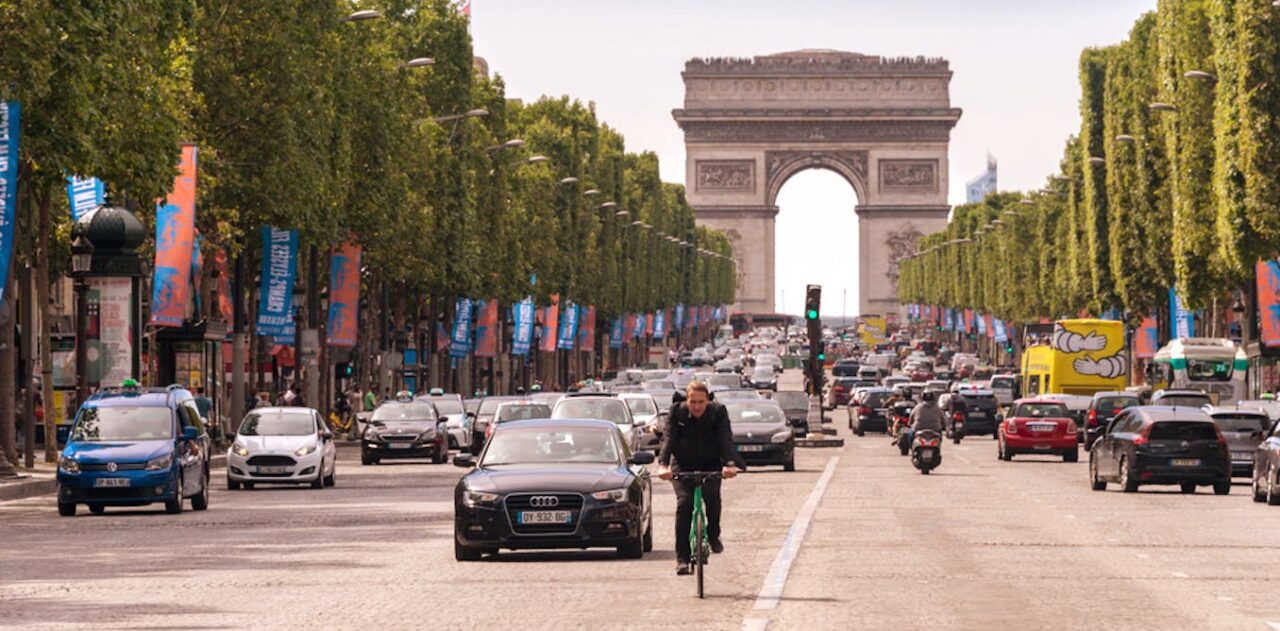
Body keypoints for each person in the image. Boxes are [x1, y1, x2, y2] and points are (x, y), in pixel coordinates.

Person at [657, 380, 746, 576]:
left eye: (701, 402)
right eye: (693, 402)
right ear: (686, 400)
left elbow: (725, 439)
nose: (697, 406)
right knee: (685, 504)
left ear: (708, 401)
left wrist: (729, 464)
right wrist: (663, 465)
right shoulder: (676, 412)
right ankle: (682, 558)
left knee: (712, 498)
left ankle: (713, 535)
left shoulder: (718, 412)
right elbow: (668, 439)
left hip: (710, 463)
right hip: (683, 465)